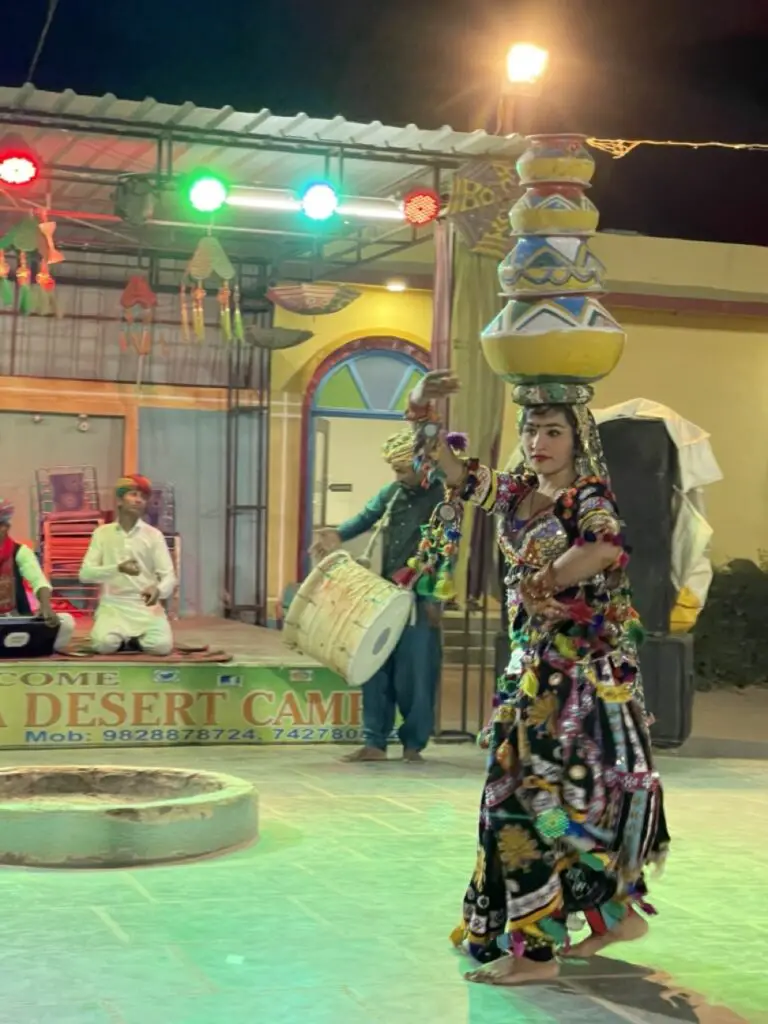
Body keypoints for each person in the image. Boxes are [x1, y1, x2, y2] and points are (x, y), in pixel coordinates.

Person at [408, 371, 669, 986]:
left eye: (553, 430)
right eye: (530, 429)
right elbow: (454, 472)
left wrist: (546, 580)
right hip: (533, 674)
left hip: (572, 683)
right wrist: (423, 411)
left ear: (578, 441)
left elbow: (605, 548)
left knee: (523, 805)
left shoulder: (586, 496)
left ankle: (538, 953)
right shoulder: (518, 491)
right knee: (558, 808)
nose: (538, 440)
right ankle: (611, 916)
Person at [311, 429, 445, 763]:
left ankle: (413, 746)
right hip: (384, 595)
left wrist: (433, 599)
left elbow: (451, 550)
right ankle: (374, 742)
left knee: (416, 673)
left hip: (420, 598)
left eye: (403, 470)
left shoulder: (443, 498)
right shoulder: (392, 493)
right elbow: (365, 518)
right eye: (395, 471)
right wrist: (336, 535)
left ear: (424, 465)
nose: (397, 477)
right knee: (374, 665)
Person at [80, 475, 176, 656]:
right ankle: (125, 640)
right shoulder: (102, 534)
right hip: (113, 605)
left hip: (145, 607)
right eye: (133, 494)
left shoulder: (153, 535)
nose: (139, 500)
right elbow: (85, 574)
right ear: (119, 500)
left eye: (143, 497)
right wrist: (117, 568)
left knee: (161, 647)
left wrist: (159, 590)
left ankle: (133, 641)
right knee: (103, 644)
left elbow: (169, 576)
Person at [0, 499, 75, 653]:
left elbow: (38, 580)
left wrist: (46, 607)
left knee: (66, 622)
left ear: (5, 527)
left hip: (15, 619)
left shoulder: (20, 551)